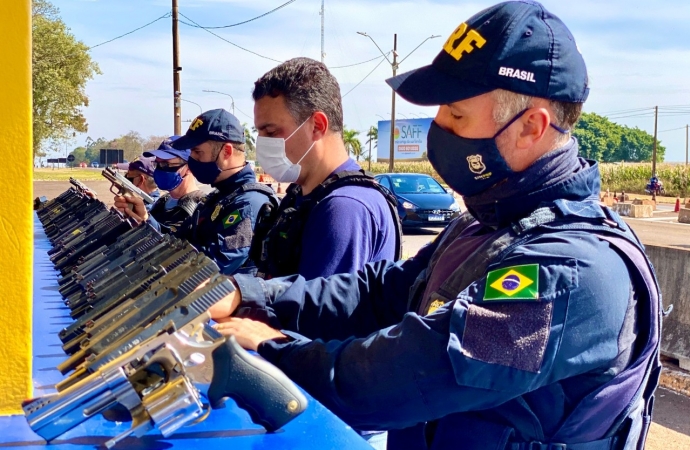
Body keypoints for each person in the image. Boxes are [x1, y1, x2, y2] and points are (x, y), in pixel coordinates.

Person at [207, 2, 662, 449]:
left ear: (530, 127)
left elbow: (412, 374)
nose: (437, 126)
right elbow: (381, 292)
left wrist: (273, 349)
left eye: (456, 114)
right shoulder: (483, 227)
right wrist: (250, 297)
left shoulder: (571, 270)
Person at [246, 57, 401, 281]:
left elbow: (313, 312)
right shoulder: (302, 196)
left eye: (270, 132)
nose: (261, 143)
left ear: (317, 126)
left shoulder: (345, 208)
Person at [115, 109, 278, 275]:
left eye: (197, 152)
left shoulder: (248, 203)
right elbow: (177, 242)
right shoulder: (219, 199)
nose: (192, 160)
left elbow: (210, 267)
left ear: (227, 151)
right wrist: (145, 220)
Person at [142, 136, 205, 233]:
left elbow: (179, 245)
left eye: (166, 164)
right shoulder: (162, 201)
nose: (159, 169)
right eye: (157, 164)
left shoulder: (201, 208)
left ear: (189, 168)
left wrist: (147, 219)